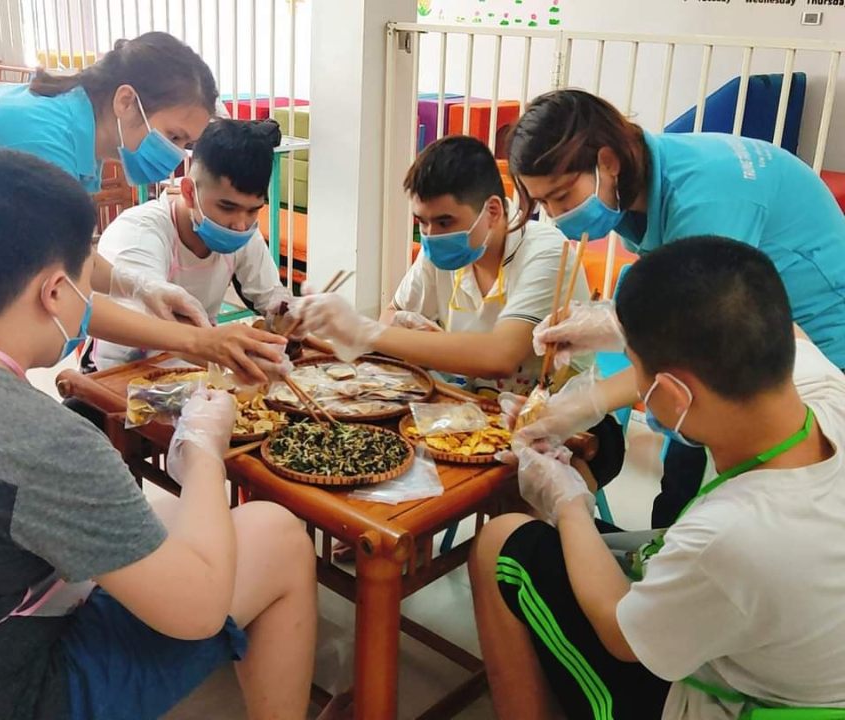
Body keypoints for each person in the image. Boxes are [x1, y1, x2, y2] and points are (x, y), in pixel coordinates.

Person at [0, 149, 319, 720]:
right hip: (2, 695)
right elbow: (199, 611)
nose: (90, 302)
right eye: (88, 284)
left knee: (165, 522)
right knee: (277, 533)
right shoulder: (45, 439)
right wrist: (203, 452)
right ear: (55, 292)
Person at [470, 236, 845, 720]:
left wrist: (569, 502)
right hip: (790, 649)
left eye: (635, 371)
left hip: (730, 703)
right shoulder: (828, 392)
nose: (633, 383)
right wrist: (617, 336)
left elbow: (619, 631)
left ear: (673, 395)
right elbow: (789, 331)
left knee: (502, 542)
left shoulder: (730, 536)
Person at [506, 89, 845, 525]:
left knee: (753, 505)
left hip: (816, 347)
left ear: (607, 162)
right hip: (748, 340)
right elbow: (679, 308)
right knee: (682, 485)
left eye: (563, 196)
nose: (556, 215)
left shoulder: (706, 199)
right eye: (544, 203)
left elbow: (697, 338)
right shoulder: (636, 189)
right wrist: (611, 324)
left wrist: (584, 404)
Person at [0, 31, 282, 384]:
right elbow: (64, 291)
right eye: (174, 136)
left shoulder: (72, 130)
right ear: (126, 101)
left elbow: (71, 262)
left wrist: (139, 286)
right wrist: (198, 341)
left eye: (186, 144)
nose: (176, 154)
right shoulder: (44, 139)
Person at [291, 135, 591, 397]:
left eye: (445, 221)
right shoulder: (444, 247)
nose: (432, 235)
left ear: (493, 211)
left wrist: (362, 330)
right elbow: (394, 313)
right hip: (470, 406)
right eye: (422, 222)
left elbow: (501, 357)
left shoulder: (547, 253)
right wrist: (400, 332)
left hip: (556, 419)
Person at [95, 117, 292, 370]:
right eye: (227, 207)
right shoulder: (139, 232)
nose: (240, 225)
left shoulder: (242, 232)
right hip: (125, 370)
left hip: (198, 368)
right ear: (189, 192)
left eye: (253, 210)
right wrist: (233, 353)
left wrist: (295, 315)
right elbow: (158, 321)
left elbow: (271, 300)